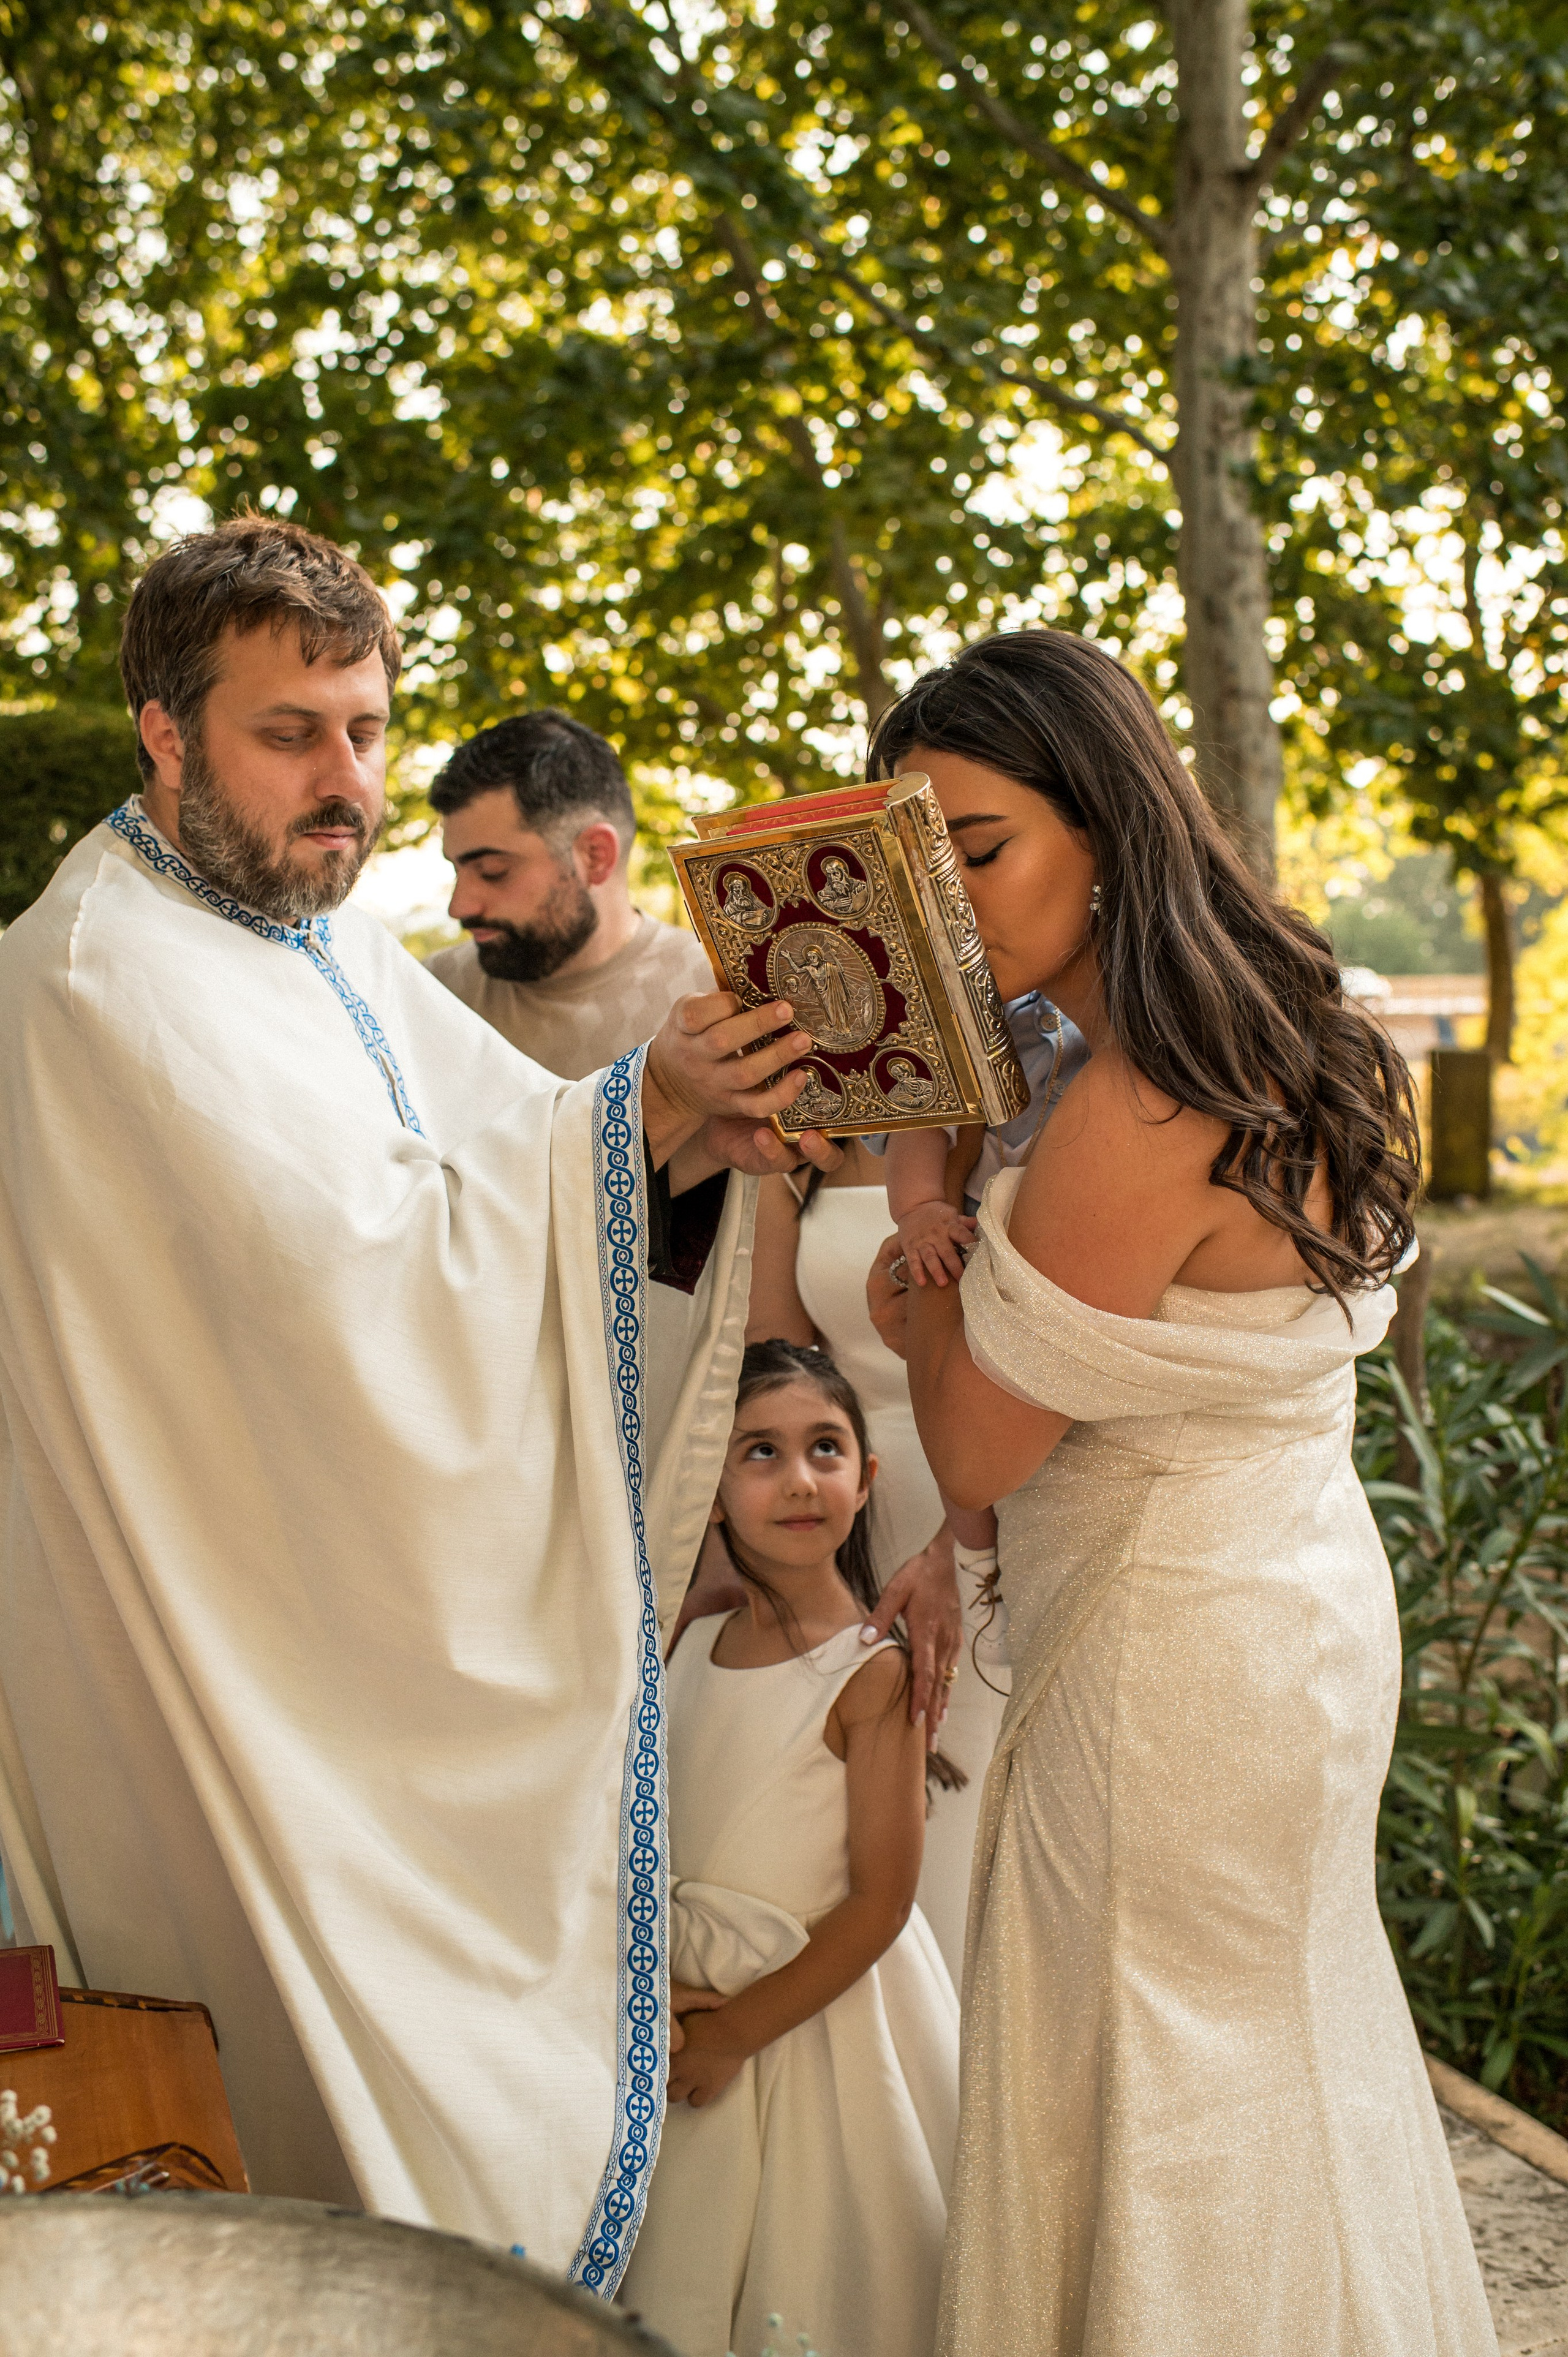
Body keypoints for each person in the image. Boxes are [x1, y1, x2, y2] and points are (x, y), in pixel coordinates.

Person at [0, 516, 839, 2290]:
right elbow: (350, 1285)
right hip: (234, 1657)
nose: (347, 783)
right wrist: (644, 1112)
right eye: (289, 733)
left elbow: (513, 1152)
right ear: (163, 730)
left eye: (367, 729)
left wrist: (680, 1125)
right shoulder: (101, 974)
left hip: (321, 1601)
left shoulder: (312, 937)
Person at [864, 627, 1497, 2355]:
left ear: (1109, 821)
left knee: (1159, 2089)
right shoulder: (1272, 1023)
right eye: (918, 868)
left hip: (1169, 1657)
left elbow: (979, 1445)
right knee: (1267, 2051)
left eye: (979, 849)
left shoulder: (1134, 1102)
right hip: (1287, 1596)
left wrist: (922, 1238)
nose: (949, 906)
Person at [619, 1342, 959, 2357]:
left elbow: (881, 1903)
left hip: (806, 2026)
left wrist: (738, 2033)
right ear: (714, 1491)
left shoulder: (871, 1674)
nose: (801, 1479)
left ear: (868, 1475)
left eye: (825, 1448)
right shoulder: (685, 1643)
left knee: (807, 2270)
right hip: (687, 2011)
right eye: (760, 1452)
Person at [734, 1142, 1001, 1982]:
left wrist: (958, 1550)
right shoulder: (796, 1149)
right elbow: (775, 1371)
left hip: (1000, 1494)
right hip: (842, 1511)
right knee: (858, 1806)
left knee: (971, 1804)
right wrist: (789, 1572)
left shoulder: (1023, 1116)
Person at [424, 709, 716, 1080]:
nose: (459, 906)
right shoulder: (430, 994)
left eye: (492, 871)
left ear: (595, 856)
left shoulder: (718, 997)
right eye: (456, 869)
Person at [876, 994, 1090, 1287]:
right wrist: (918, 1207)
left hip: (1079, 1224)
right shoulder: (966, 1009)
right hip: (970, 1214)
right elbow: (919, 1112)